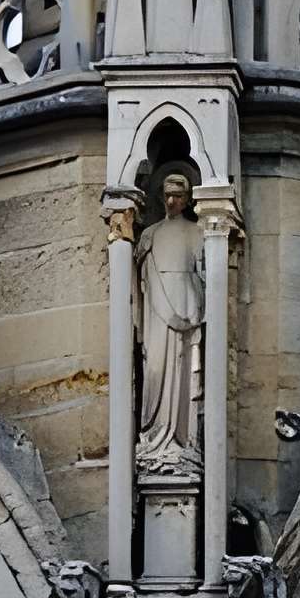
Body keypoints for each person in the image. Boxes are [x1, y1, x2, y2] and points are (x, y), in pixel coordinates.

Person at [130, 168, 205, 477]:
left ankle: (183, 441)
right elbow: (138, 283)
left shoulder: (197, 231)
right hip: (157, 316)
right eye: (168, 195)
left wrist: (196, 306)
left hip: (188, 307)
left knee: (185, 376)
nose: (172, 201)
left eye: (179, 196)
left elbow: (204, 275)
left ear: (188, 200)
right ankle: (156, 440)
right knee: (157, 373)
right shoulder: (149, 234)